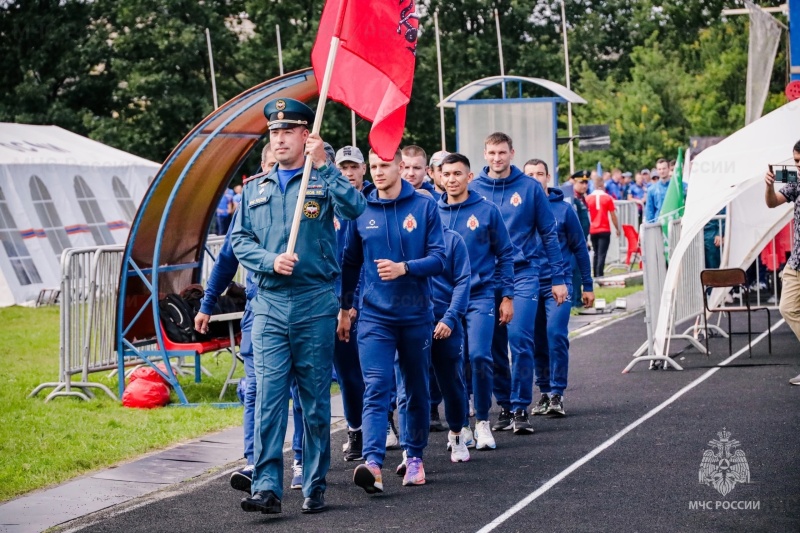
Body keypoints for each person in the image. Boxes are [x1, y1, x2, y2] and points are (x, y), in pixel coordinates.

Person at [231, 98, 366, 515]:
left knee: (312, 398)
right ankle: (268, 486)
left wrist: (325, 165)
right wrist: (271, 261)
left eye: (288, 131)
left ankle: (315, 481)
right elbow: (239, 241)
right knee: (269, 396)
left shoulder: (322, 180)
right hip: (270, 302)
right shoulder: (256, 188)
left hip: (313, 302)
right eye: (274, 132)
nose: (280, 138)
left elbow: (356, 208)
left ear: (306, 136)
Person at [195, 144, 306, 494]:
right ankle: (254, 461)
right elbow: (228, 258)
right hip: (259, 311)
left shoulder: (307, 202)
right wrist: (207, 303)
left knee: (300, 391)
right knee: (257, 388)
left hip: (303, 308)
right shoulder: (251, 201)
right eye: (270, 164)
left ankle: (301, 459)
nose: (276, 173)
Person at [339, 148, 446, 492]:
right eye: (374, 166)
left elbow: (440, 259)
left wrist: (405, 268)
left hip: (415, 315)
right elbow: (350, 263)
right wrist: (345, 308)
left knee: (414, 389)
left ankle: (414, 456)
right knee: (377, 386)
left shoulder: (425, 205)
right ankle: (372, 463)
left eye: (384, 166)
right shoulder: (360, 208)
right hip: (374, 317)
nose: (378, 172)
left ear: (400, 166)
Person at [470, 132, 567, 435]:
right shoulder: (474, 189)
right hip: (487, 277)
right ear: (484, 155)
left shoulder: (529, 188)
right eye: (491, 153)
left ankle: (521, 405)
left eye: (502, 152)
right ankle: (504, 405)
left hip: (524, 273)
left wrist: (559, 278)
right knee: (492, 347)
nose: (497, 158)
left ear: (512, 153)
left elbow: (549, 234)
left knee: (520, 340)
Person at [438, 152, 515, 446]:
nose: (452, 179)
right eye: (446, 174)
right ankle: (460, 427)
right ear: (439, 177)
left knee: (480, 356)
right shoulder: (433, 212)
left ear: (469, 177)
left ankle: (483, 420)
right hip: (443, 299)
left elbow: (505, 253)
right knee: (452, 363)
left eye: (458, 174)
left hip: (480, 295)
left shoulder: (487, 210)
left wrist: (506, 295)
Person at [396, 217, 471, 469]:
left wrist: (450, 318)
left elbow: (462, 282)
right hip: (411, 322)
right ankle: (410, 450)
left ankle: (458, 434)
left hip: (444, 323)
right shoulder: (401, 240)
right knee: (407, 390)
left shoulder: (452, 240)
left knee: (451, 384)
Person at [524, 159, 594, 417]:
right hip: (528, 283)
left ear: (548, 177)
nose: (534, 178)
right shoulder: (518, 209)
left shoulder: (564, 210)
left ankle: (557, 393)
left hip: (559, 284)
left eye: (539, 174)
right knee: (536, 340)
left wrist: (587, 284)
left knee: (555, 334)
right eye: (529, 174)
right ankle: (543, 391)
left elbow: (579, 247)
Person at [333, 145, 370, 462]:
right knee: (346, 374)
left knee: (371, 370)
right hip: (329, 302)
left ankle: (381, 425)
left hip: (363, 302)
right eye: (342, 168)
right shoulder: (325, 206)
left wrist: (353, 301)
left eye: (353, 167)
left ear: (363, 171)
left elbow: (360, 263)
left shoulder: (368, 207)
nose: (347, 173)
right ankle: (356, 430)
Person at [764, 141, 800, 385]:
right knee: (787, 308)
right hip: (797, 262)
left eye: (799, 161)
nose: (797, 167)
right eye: (795, 162)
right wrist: (768, 186)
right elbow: (771, 202)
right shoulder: (796, 183)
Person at [586, 174, 620, 279]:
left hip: (593, 229)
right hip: (604, 228)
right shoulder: (607, 198)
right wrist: (617, 228)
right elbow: (613, 215)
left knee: (596, 253)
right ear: (603, 185)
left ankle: (595, 274)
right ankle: (600, 275)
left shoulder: (588, 198)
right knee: (602, 253)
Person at [645, 159, 671, 223]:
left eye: (664, 168)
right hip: (659, 224)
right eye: (659, 169)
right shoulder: (652, 189)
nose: (662, 171)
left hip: (674, 223)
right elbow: (649, 211)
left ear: (669, 169)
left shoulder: (677, 186)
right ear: (657, 170)